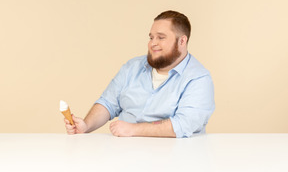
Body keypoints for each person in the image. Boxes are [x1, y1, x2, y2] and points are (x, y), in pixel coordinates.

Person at [64, 10, 215, 138]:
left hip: (173, 158)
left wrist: (133, 129)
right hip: (123, 155)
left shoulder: (198, 78)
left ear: (182, 41)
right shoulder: (132, 67)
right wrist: (86, 125)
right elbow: (108, 103)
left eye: (161, 37)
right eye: (151, 37)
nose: (152, 43)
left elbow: (184, 123)